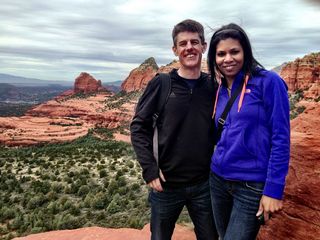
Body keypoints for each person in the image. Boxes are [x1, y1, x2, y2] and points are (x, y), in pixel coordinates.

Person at [130, 19, 218, 240]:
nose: (189, 47)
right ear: (175, 49)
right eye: (183, 43)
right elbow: (138, 127)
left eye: (195, 42)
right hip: (166, 185)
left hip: (204, 185)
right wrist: (149, 169)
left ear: (203, 47)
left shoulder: (213, 86)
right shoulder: (162, 83)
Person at [207, 23, 290, 240]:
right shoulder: (219, 88)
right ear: (214, 58)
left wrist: (273, 190)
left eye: (234, 51)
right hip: (217, 180)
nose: (228, 59)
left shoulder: (268, 82)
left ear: (245, 51)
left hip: (250, 185)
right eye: (221, 54)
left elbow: (281, 137)